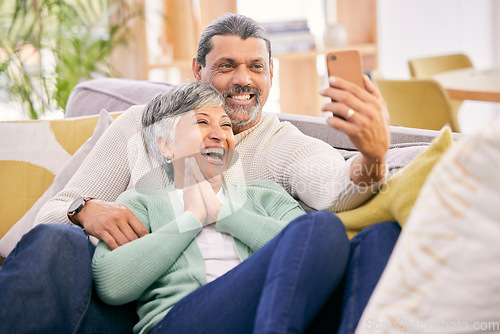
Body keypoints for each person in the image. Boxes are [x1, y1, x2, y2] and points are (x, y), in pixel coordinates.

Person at [0, 13, 400, 333]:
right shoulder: (145, 125)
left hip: (242, 299)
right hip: (135, 306)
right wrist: (84, 210)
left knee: (377, 236)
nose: (243, 79)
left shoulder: (281, 144)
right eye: (227, 65)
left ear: (271, 74)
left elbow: (336, 188)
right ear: (198, 69)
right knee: (55, 240)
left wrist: (373, 155)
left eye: (255, 66)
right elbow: (48, 221)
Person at [92, 81, 351, 334]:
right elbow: (110, 283)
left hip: (273, 313)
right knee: (321, 226)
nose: (220, 134)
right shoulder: (141, 201)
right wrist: (192, 219)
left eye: (226, 125)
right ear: (166, 144)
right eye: (203, 122)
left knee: (378, 236)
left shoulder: (266, 195)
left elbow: (309, 246)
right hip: (181, 321)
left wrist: (225, 215)